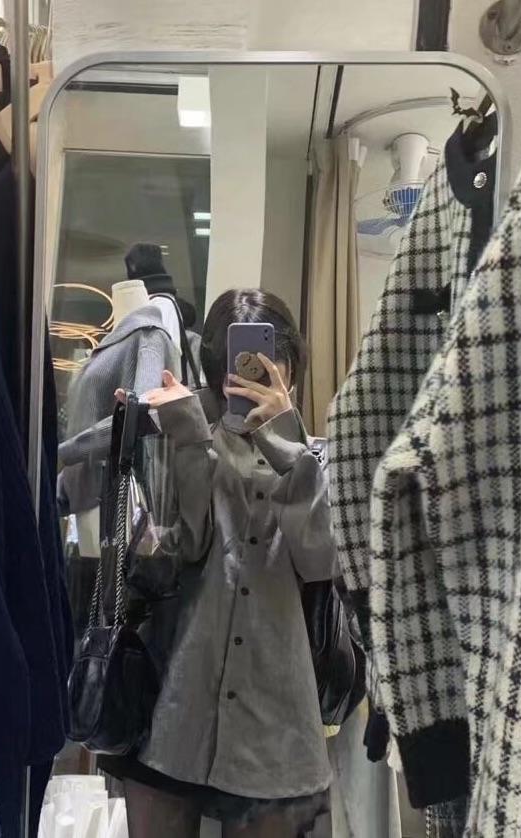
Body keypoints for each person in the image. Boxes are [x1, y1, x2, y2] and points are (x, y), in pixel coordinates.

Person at [110, 288, 335, 838]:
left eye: (268, 360)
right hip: (173, 710)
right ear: (217, 367)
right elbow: (186, 547)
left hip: (275, 731)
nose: (253, 374)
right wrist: (184, 435)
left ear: (291, 365)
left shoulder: (319, 460)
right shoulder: (192, 435)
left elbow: (319, 559)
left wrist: (284, 441)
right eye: (239, 361)